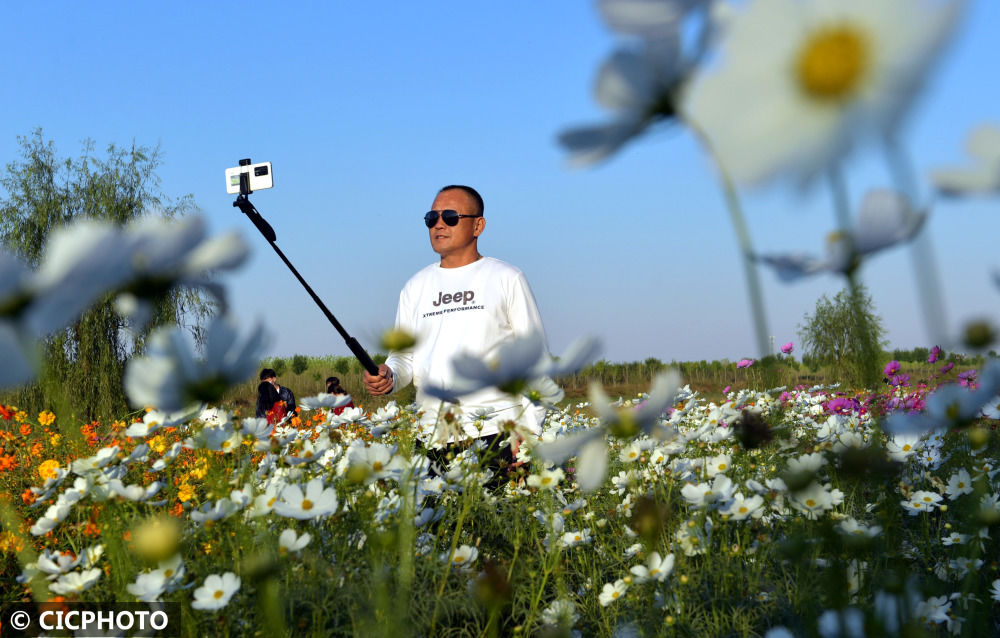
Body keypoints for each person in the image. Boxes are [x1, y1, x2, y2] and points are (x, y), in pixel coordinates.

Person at [363, 185, 549, 472]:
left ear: (478, 225)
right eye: (431, 217)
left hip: (496, 434)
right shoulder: (415, 287)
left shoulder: (506, 278)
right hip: (432, 437)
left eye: (450, 216)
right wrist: (389, 375)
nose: (439, 224)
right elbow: (403, 358)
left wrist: (528, 438)